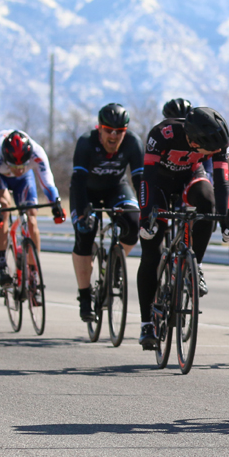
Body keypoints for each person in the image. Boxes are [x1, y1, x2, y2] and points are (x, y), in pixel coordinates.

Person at [137, 106, 229, 349]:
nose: (213, 154)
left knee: (208, 201)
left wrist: (226, 215)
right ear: (192, 140)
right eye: (208, 150)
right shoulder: (162, 134)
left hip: (189, 178)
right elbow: (146, 178)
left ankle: (195, 266)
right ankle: (146, 322)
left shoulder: (219, 138)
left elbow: (221, 181)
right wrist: (147, 214)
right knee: (151, 253)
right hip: (157, 184)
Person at [71, 103, 143, 322]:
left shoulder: (133, 142)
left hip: (116, 188)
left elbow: (140, 179)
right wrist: (84, 211)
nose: (113, 136)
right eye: (108, 131)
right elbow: (78, 180)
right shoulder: (86, 142)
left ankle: (115, 263)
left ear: (125, 131)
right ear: (99, 128)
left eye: (119, 132)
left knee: (134, 223)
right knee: (85, 233)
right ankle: (85, 298)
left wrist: (147, 209)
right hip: (87, 191)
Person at [0, 129, 65, 290]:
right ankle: (2, 266)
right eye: (14, 165)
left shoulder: (37, 152)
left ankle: (33, 272)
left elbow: (48, 183)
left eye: (23, 165)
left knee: (32, 215)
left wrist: (56, 205)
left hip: (24, 180)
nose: (18, 169)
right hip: (0, 177)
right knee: (3, 208)